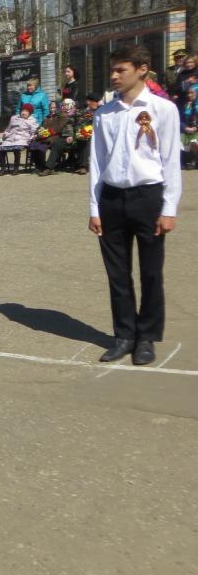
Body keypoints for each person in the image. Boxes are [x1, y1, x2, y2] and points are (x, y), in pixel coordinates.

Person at [88, 45, 182, 366]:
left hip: (148, 197)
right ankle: (124, 335)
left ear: (142, 69)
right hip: (112, 198)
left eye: (121, 70)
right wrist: (94, 207)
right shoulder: (105, 113)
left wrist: (169, 208)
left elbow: (170, 160)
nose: (114, 76)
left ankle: (147, 337)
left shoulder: (162, 109)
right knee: (118, 273)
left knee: (151, 272)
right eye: (112, 70)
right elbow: (97, 162)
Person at [37, 99, 79, 176]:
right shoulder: (48, 117)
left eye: (54, 107)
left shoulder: (73, 115)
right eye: (51, 108)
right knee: (37, 144)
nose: (52, 109)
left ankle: (48, 168)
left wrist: (71, 135)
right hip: (54, 136)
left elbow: (62, 127)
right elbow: (41, 127)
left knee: (55, 143)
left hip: (69, 136)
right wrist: (40, 133)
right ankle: (42, 167)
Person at [0, 103, 38, 175]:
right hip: (10, 138)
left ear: (30, 113)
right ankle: (3, 168)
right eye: (22, 111)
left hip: (22, 139)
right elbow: (8, 129)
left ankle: (16, 168)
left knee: (16, 148)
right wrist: (5, 134)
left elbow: (33, 132)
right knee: (1, 149)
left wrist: (30, 139)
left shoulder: (32, 120)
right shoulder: (14, 118)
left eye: (26, 111)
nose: (23, 113)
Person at [181, 87, 198, 168]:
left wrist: (196, 128)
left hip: (196, 130)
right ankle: (187, 160)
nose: (189, 95)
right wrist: (185, 128)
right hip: (188, 130)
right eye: (188, 93)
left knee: (194, 142)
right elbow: (181, 119)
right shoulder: (186, 105)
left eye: (192, 93)